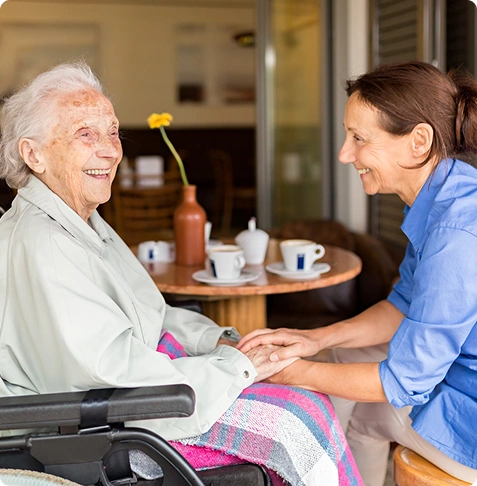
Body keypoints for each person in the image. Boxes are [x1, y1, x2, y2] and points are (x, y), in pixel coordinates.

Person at [0, 62, 362, 486]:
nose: (111, 150)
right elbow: (108, 375)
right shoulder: (42, 243)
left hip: (137, 401)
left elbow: (150, 313)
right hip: (101, 434)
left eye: (113, 132)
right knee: (299, 423)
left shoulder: (80, 222)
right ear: (33, 154)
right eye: (86, 134)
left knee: (307, 399)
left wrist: (219, 340)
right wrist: (236, 366)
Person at [238, 61, 477, 486]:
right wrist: (316, 339)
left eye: (359, 139)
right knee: (345, 364)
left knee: (362, 416)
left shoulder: (456, 231)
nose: (345, 154)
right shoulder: (446, 195)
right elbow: (403, 305)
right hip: (460, 381)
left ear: (418, 142)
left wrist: (292, 369)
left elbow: (403, 380)